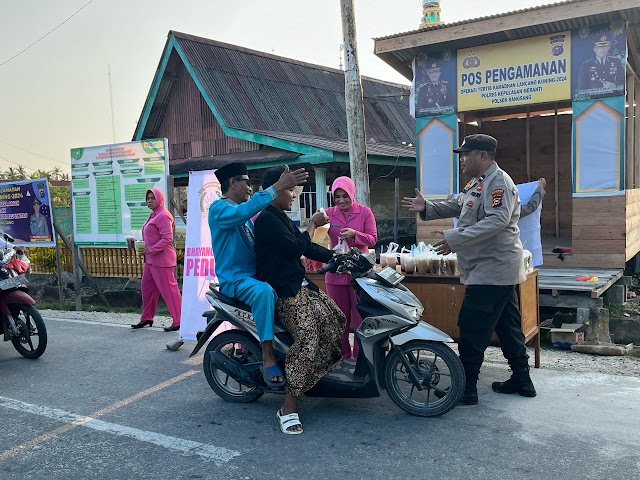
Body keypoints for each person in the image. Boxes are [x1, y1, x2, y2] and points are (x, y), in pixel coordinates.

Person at [402, 133, 536, 405]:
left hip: (492, 270)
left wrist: (454, 239)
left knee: (472, 328)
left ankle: (466, 388)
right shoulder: (477, 183)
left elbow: (497, 221)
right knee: (508, 327)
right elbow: (460, 205)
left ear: (483, 156)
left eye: (466, 153)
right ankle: (522, 380)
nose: (462, 159)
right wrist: (427, 207)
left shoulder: (499, 183)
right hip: (491, 269)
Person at [254, 167, 345, 435]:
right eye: (290, 190)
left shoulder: (280, 217)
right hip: (284, 291)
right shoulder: (267, 220)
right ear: (276, 190)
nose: (293, 195)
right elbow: (297, 247)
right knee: (308, 336)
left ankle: (309, 375)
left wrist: (335, 257)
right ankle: (288, 405)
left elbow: (304, 246)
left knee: (336, 317)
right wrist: (314, 223)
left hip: (300, 285)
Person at [208, 162, 308, 387]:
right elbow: (244, 211)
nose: (250, 188)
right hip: (236, 279)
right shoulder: (220, 209)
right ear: (233, 183)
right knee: (264, 292)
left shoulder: (245, 218)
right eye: (246, 182)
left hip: (254, 276)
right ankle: (268, 356)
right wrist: (275, 187)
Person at [324, 176, 377, 360]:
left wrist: (355, 235)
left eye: (345, 196)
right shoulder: (328, 213)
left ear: (352, 194)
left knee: (361, 320)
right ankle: (342, 357)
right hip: (336, 274)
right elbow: (317, 234)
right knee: (339, 320)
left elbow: (372, 238)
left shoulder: (365, 212)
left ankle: (361, 360)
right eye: (337, 197)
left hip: (359, 275)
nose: (341, 201)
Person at [131, 189, 182, 332]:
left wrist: (150, 249)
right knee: (147, 289)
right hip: (151, 260)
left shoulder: (163, 215)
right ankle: (147, 318)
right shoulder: (153, 214)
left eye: (153, 198)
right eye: (148, 198)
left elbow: (167, 238)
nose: (150, 201)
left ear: (160, 199)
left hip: (162, 260)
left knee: (169, 291)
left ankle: (179, 320)